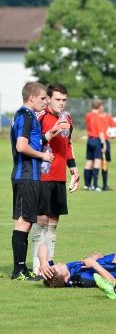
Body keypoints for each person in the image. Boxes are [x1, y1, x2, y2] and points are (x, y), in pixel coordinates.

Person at [30, 83, 79, 274]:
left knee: (53, 222)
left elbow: (68, 145)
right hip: (41, 174)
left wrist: (74, 169)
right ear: (48, 99)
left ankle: (49, 263)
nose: (61, 103)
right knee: (41, 219)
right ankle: (37, 265)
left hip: (60, 176)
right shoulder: (39, 116)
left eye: (64, 100)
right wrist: (52, 132)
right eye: (57, 99)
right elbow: (32, 142)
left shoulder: (67, 118)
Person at [10, 82, 56, 280]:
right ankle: (18, 270)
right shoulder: (26, 115)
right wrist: (43, 156)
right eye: (43, 98)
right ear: (32, 98)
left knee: (27, 221)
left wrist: (46, 137)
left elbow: (32, 140)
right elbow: (21, 146)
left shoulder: (27, 116)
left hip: (31, 176)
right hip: (26, 176)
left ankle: (21, 268)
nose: (46, 102)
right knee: (23, 222)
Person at [83, 99, 107, 191]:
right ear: (99, 106)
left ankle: (87, 185)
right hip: (96, 140)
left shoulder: (88, 115)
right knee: (97, 162)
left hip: (89, 140)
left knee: (89, 162)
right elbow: (100, 132)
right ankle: (95, 185)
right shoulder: (98, 117)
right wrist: (103, 144)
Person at [98, 103, 116, 190]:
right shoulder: (94, 117)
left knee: (105, 163)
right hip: (96, 141)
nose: (100, 108)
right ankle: (93, 185)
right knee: (95, 163)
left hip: (106, 142)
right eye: (98, 106)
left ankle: (104, 185)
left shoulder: (107, 117)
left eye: (101, 106)